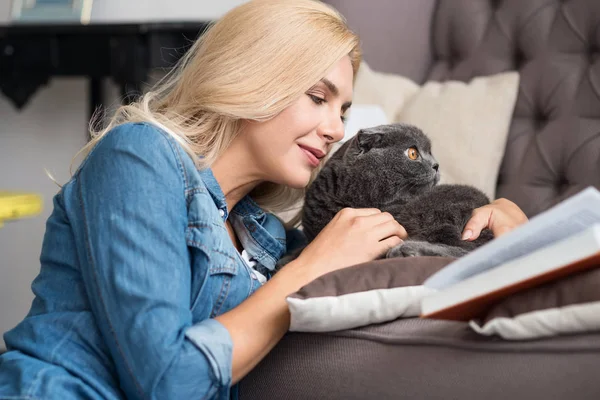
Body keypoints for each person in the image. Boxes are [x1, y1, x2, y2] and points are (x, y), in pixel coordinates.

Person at [0, 1, 528, 399]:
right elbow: (167, 382)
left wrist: (499, 224)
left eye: (343, 110)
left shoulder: (267, 235)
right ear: (257, 74)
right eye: (318, 98)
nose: (333, 129)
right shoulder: (137, 156)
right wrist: (306, 273)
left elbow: (394, 260)